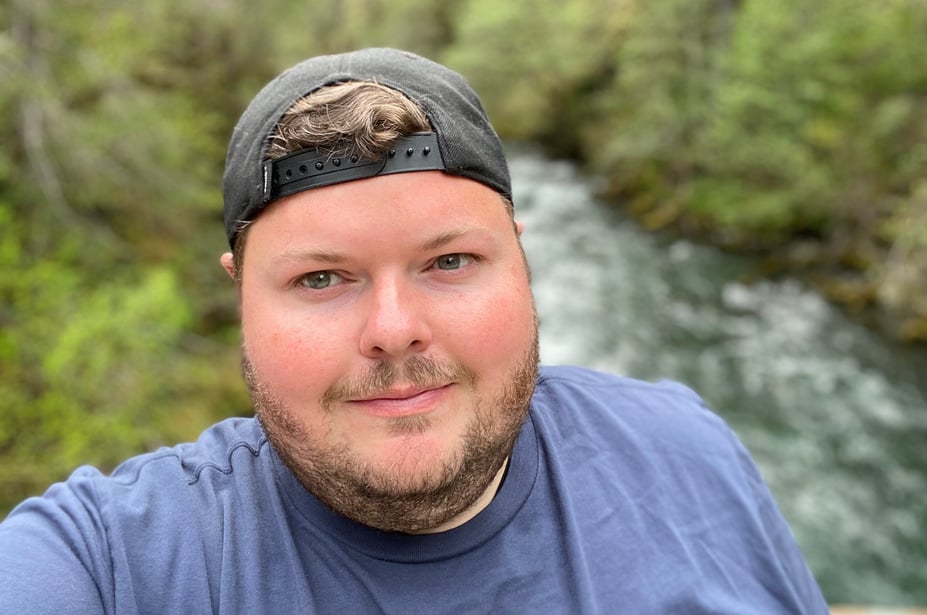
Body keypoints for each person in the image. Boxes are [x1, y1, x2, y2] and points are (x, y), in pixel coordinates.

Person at [0, 47, 829, 613]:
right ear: (239, 297)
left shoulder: (693, 455)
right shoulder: (111, 563)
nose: (394, 331)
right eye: (320, 278)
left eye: (451, 262)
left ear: (521, 261)